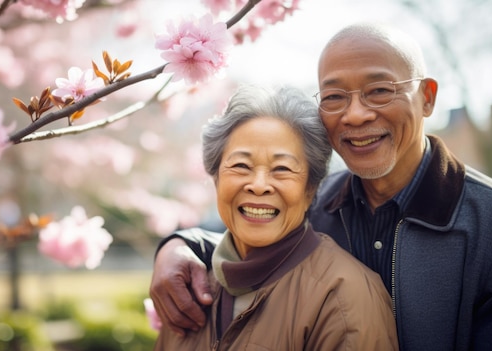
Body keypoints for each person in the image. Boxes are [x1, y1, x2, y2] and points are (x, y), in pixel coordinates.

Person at [149, 22, 492, 351]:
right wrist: (177, 246)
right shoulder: (321, 198)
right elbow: (252, 236)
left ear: (427, 97)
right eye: (334, 97)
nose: (356, 114)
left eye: (379, 90)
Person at [154, 84, 398, 350]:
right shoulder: (185, 286)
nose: (259, 185)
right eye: (241, 166)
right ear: (215, 177)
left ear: (310, 189)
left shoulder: (344, 298)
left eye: (282, 168)